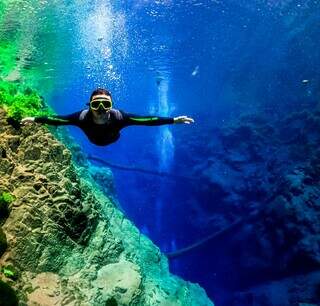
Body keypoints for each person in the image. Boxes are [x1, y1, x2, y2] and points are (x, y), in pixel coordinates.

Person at [20, 88, 194, 146]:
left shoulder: (120, 118)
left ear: (111, 106)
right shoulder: (81, 118)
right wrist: (34, 119)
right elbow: (58, 119)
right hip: (94, 141)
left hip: (113, 138)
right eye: (96, 104)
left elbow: (147, 120)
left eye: (106, 105)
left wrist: (173, 120)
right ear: (89, 106)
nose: (101, 109)